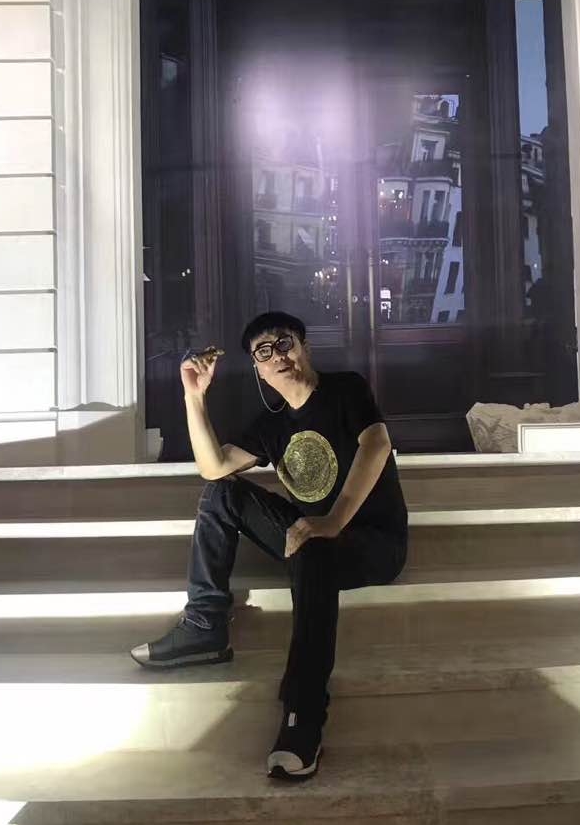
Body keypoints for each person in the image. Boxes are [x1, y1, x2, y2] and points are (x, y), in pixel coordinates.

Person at [131, 311, 408, 782]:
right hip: (314, 536)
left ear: (305, 348)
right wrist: (193, 397)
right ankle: (205, 626)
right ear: (259, 370)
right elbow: (214, 467)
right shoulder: (271, 423)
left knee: (315, 548)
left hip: (373, 542)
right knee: (221, 494)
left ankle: (303, 715)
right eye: (264, 351)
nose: (278, 355)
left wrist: (333, 521)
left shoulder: (345, 389)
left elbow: (377, 445)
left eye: (285, 343)